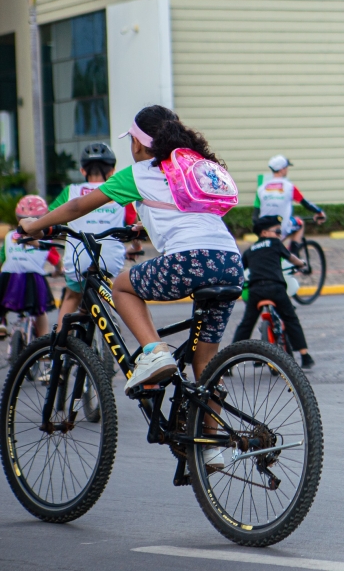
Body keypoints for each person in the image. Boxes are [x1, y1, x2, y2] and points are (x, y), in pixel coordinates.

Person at [18, 105, 244, 412]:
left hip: (191, 260)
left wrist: (34, 225)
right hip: (230, 261)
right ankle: (210, 440)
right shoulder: (191, 167)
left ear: (137, 143)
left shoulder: (140, 172)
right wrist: (143, 225)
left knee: (122, 286)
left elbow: (78, 207)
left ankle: (154, 352)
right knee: (205, 364)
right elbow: (186, 213)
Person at [51, 142, 141, 332]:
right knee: (106, 289)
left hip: (77, 261)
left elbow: (49, 218)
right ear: (112, 171)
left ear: (83, 170)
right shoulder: (118, 190)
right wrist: (135, 247)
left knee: (72, 296)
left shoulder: (71, 191)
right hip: (110, 260)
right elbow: (132, 227)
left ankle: (59, 341)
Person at [233, 215, 314, 368]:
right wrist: (301, 264)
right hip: (275, 288)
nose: (279, 235)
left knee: (246, 324)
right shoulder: (275, 243)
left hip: (256, 291)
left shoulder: (250, 250)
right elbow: (292, 258)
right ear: (264, 233)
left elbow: (240, 270)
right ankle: (305, 356)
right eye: (277, 231)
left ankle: (229, 362)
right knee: (291, 319)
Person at [1, 196, 60, 339]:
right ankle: (43, 339)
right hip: (33, 279)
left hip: (9, 278)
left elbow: (2, 257)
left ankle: (1, 323)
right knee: (39, 311)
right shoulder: (46, 240)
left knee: (1, 300)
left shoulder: (10, 236)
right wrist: (59, 271)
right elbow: (56, 260)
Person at [255, 155, 327, 254]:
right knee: (300, 223)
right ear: (282, 169)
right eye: (286, 167)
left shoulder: (261, 188)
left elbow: (255, 213)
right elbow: (306, 203)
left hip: (264, 231)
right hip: (281, 229)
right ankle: (293, 256)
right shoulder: (289, 187)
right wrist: (319, 212)